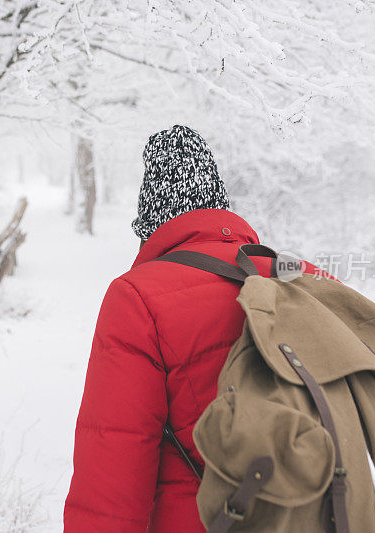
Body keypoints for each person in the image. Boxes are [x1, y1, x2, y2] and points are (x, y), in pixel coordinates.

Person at [63, 125, 328, 532]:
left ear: (150, 218)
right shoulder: (304, 278)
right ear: (220, 201)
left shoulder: (137, 298)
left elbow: (113, 469)